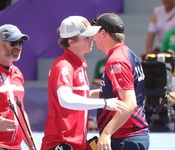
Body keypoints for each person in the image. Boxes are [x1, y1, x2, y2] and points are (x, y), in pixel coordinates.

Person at [41, 16, 129, 150]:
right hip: (62, 143)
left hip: (76, 143)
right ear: (71, 42)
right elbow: (65, 99)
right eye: (87, 37)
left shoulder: (77, 64)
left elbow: (78, 95)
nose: (92, 39)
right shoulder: (64, 65)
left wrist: (109, 93)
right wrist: (105, 103)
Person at [92, 13, 149, 150]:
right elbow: (112, 94)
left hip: (125, 138)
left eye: (95, 33)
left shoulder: (117, 60)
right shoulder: (126, 53)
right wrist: (79, 96)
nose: (93, 38)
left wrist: (106, 133)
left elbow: (129, 102)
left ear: (103, 33)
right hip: (129, 137)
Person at [0, 24, 36, 149]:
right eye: (13, 42)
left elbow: (20, 112)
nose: (18, 46)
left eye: (20, 43)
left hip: (16, 146)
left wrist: (31, 143)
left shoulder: (17, 73)